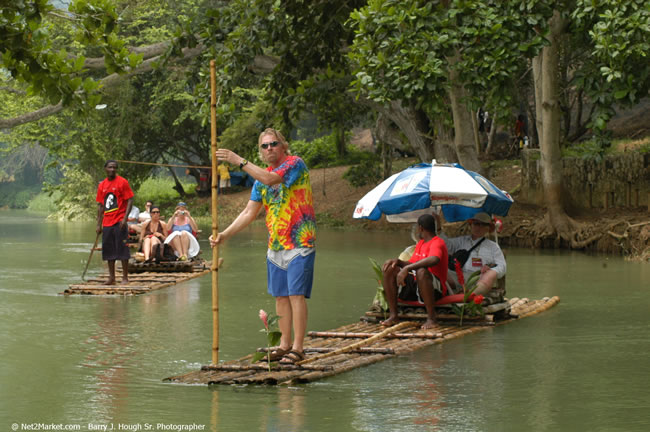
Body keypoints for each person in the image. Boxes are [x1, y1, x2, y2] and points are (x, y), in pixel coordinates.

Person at [210, 127, 316, 365]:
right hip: (275, 245)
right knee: (280, 297)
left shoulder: (294, 164)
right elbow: (249, 212)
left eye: (274, 144)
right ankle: (284, 344)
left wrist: (239, 161)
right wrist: (225, 234)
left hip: (299, 242)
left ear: (283, 146)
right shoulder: (260, 180)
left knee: (296, 295)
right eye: (265, 146)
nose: (270, 149)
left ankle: (298, 348)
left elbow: (272, 179)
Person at [380, 214, 447, 330]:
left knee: (421, 271)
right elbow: (412, 263)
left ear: (420, 228)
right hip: (417, 285)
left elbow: (434, 259)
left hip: (436, 289)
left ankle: (432, 319)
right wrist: (399, 262)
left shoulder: (437, 242)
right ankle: (393, 315)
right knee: (390, 269)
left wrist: (406, 269)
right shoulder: (421, 243)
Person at [437, 212, 506, 297]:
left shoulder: (493, 246)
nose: (479, 227)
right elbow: (446, 245)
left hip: (480, 279)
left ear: (488, 228)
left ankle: (468, 297)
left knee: (492, 273)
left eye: (483, 225)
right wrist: (439, 228)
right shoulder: (461, 241)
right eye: (476, 224)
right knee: (437, 269)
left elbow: (502, 266)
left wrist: (490, 268)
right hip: (459, 276)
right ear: (471, 225)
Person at [95, 160, 134, 285]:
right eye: (110, 167)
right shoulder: (102, 185)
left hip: (119, 221)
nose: (112, 169)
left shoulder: (122, 182)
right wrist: (98, 224)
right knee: (108, 250)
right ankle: (111, 277)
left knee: (123, 248)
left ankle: (125, 277)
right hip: (107, 222)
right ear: (105, 168)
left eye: (114, 167)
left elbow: (130, 200)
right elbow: (101, 205)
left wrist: (124, 218)